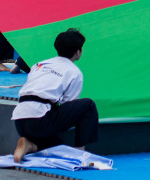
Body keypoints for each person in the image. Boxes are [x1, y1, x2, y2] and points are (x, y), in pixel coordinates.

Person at [11, 29, 99, 162]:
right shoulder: (74, 72)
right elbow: (69, 105)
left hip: (19, 120)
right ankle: (80, 151)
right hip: (40, 120)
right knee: (88, 106)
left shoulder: (39, 64)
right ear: (78, 51)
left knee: (60, 148)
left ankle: (30, 145)